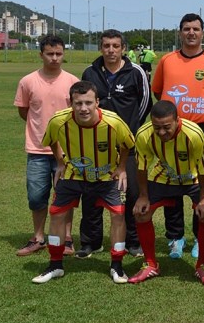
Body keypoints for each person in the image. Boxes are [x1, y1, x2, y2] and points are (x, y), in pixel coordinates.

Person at [32, 81, 135, 284]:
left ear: (97, 102)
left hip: (106, 178)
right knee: (57, 214)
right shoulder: (58, 121)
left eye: (88, 102)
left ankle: (117, 266)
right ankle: (55, 265)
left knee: (118, 215)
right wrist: (60, 163)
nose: (83, 108)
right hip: (73, 175)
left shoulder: (113, 122)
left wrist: (121, 168)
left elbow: (127, 145)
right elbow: (51, 140)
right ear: (71, 103)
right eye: (78, 103)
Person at [152, 13, 204, 260]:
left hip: (202, 131)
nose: (191, 33)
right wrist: (173, 116)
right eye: (186, 29)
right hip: (170, 132)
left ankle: (200, 237)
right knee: (172, 183)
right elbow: (158, 92)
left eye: (195, 29)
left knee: (202, 184)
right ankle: (176, 238)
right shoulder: (167, 60)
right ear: (180, 32)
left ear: (202, 32)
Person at [80, 29, 152, 259]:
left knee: (131, 193)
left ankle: (133, 241)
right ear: (101, 48)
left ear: (123, 48)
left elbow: (145, 103)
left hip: (128, 145)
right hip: (96, 145)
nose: (111, 50)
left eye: (115, 46)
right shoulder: (90, 72)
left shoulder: (136, 72)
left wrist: (129, 132)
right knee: (91, 192)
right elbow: (84, 104)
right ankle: (91, 241)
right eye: (106, 45)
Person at [129, 101, 204, 285]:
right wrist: (143, 196)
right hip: (164, 177)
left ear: (177, 120)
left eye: (166, 127)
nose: (161, 132)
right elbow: (142, 167)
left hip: (193, 177)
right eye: (157, 127)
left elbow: (203, 170)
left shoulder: (194, 134)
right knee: (141, 213)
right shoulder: (144, 134)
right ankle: (151, 264)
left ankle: (202, 266)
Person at [14, 35, 78, 257]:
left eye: (58, 54)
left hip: (66, 151)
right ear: (40, 54)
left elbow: (78, 114)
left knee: (66, 196)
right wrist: (41, 130)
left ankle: (67, 238)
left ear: (63, 54)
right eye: (49, 54)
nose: (54, 58)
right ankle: (39, 237)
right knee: (36, 195)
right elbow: (24, 111)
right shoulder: (28, 81)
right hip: (37, 150)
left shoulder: (72, 82)